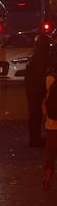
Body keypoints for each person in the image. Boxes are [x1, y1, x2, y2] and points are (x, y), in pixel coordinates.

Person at [25, 33, 51, 147]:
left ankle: (34, 138)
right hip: (37, 88)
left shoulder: (34, 55)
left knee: (34, 115)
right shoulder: (42, 56)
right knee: (37, 114)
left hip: (32, 89)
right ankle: (35, 139)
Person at [42, 62, 57, 190]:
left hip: (51, 126)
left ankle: (47, 174)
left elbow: (44, 103)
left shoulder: (49, 79)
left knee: (50, 152)